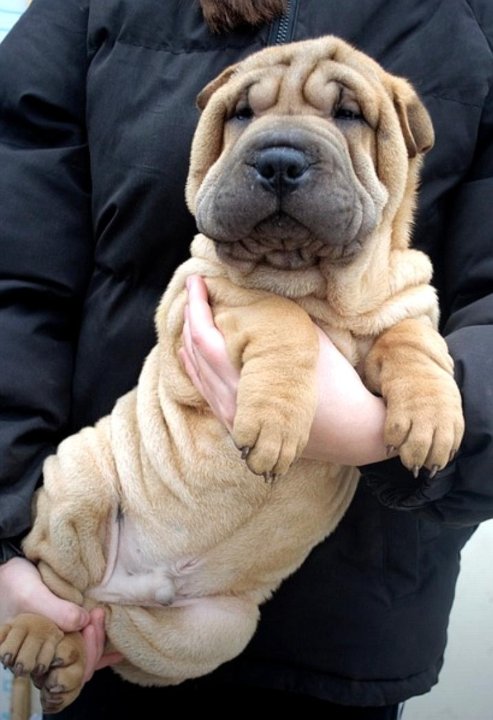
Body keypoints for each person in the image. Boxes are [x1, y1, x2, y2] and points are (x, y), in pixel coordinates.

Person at [0, 1, 492, 718]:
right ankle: (59, 634)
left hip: (342, 624)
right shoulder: (89, 10)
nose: (282, 153)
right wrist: (6, 543)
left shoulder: (471, 17)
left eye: (345, 113)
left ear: (409, 138)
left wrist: (388, 419)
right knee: (76, 506)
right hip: (95, 539)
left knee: (217, 630)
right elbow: (16, 266)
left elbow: (431, 316)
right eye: (242, 113)